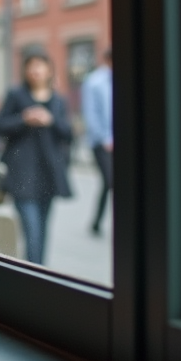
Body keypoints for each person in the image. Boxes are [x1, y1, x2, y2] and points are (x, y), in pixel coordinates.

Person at [0, 50, 73, 263]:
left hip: (49, 173)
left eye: (40, 65)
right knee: (32, 233)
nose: (36, 70)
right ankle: (35, 277)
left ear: (49, 69)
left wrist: (51, 120)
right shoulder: (16, 95)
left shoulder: (58, 101)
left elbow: (69, 133)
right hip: (22, 175)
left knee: (43, 230)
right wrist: (24, 119)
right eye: (31, 65)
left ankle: (40, 275)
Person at [80, 48, 112, 236]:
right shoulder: (94, 82)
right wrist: (104, 138)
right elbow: (91, 114)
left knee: (109, 183)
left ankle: (97, 222)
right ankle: (98, 221)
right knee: (109, 181)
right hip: (102, 142)